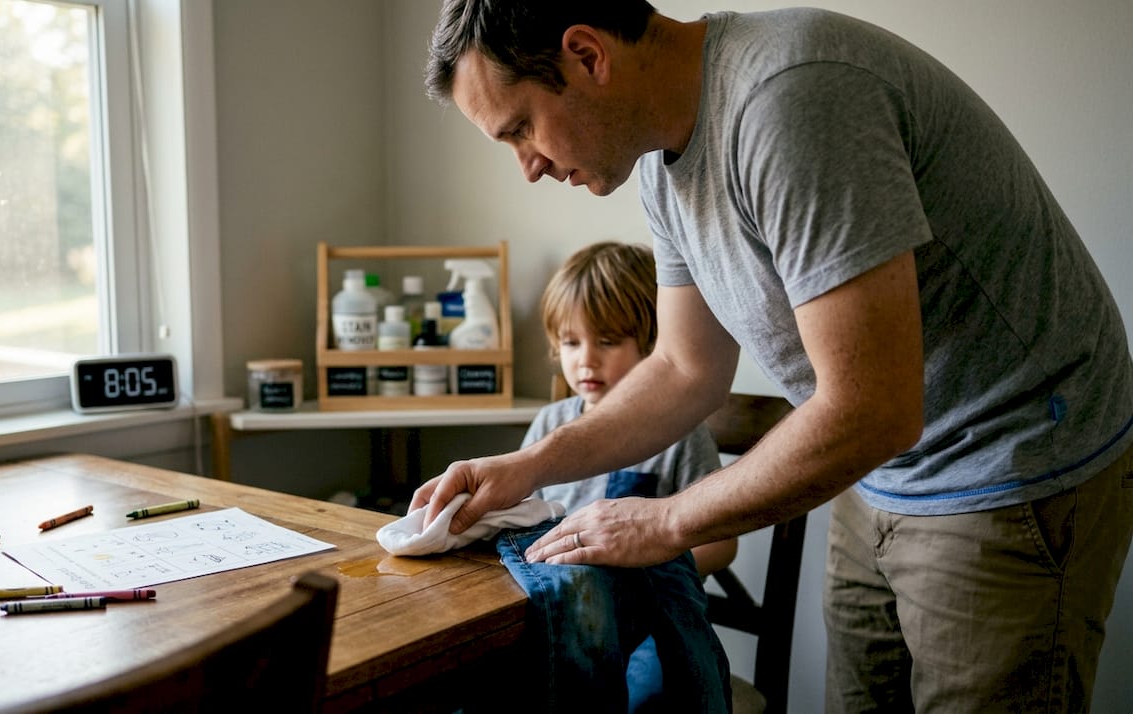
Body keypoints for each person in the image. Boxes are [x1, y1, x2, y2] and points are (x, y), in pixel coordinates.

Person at [410, 2, 1133, 712]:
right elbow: (683, 369)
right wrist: (529, 467)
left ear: (588, 55)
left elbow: (873, 408)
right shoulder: (662, 159)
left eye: (521, 129)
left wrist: (663, 522)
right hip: (882, 466)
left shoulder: (790, 101)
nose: (528, 167)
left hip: (1012, 463)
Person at [504, 240, 736, 712]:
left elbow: (721, 543)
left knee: (651, 700)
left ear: (651, 341)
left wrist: (646, 555)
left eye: (607, 341)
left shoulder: (680, 433)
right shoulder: (549, 426)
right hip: (564, 620)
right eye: (570, 342)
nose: (585, 360)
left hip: (654, 626)